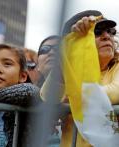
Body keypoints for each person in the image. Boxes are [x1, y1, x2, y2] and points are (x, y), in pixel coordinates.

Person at [41, 10, 119, 147]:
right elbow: (48, 96)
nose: (106, 36)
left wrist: (72, 96)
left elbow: (115, 92)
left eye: (110, 31)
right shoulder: (67, 71)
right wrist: (67, 55)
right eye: (97, 32)